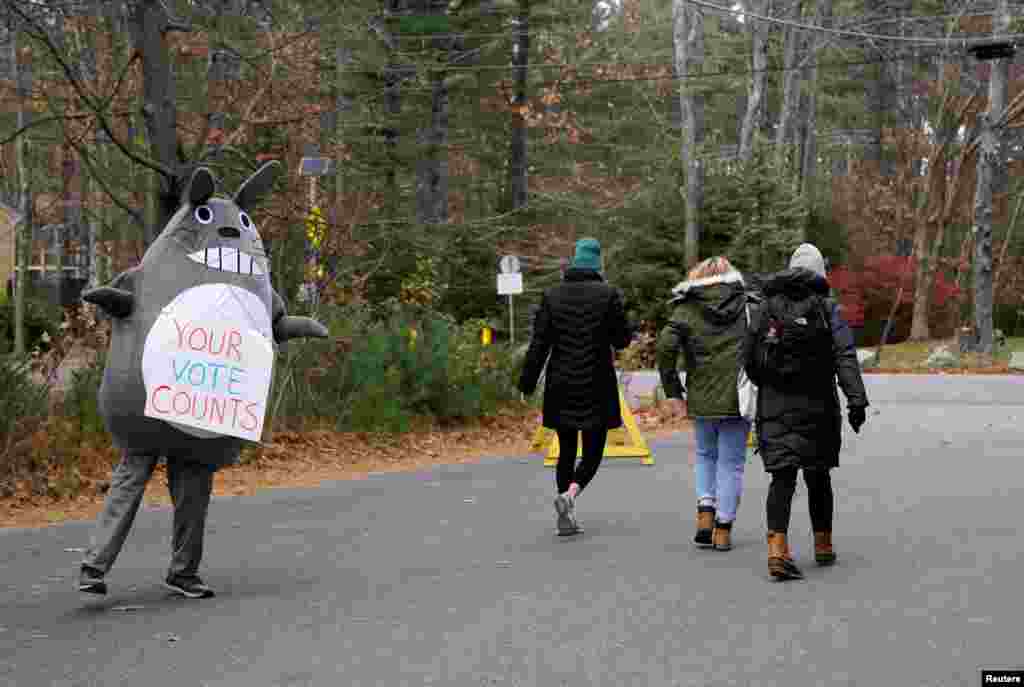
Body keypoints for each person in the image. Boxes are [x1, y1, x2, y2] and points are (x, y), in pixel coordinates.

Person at [744, 243, 869, 581]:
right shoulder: (827, 308)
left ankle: (777, 550)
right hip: (818, 404)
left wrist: (768, 383)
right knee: (818, 474)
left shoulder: (767, 306)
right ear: (821, 274)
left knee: (782, 477)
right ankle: (823, 544)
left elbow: (749, 356)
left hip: (775, 403)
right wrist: (856, 400)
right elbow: (844, 355)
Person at [519, 237, 634, 536]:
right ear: (598, 264)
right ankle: (570, 494)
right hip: (596, 384)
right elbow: (622, 339)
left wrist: (527, 383)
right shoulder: (608, 295)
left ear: (574, 261)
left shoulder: (552, 295)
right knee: (592, 451)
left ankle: (566, 515)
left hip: (561, 384)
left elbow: (539, 343)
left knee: (566, 450)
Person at [656, 256, 753, 552]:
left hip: (701, 395)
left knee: (705, 455)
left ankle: (705, 515)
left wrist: (673, 391)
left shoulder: (686, 307)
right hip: (738, 396)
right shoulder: (748, 305)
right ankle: (723, 529)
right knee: (732, 463)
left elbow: (665, 346)